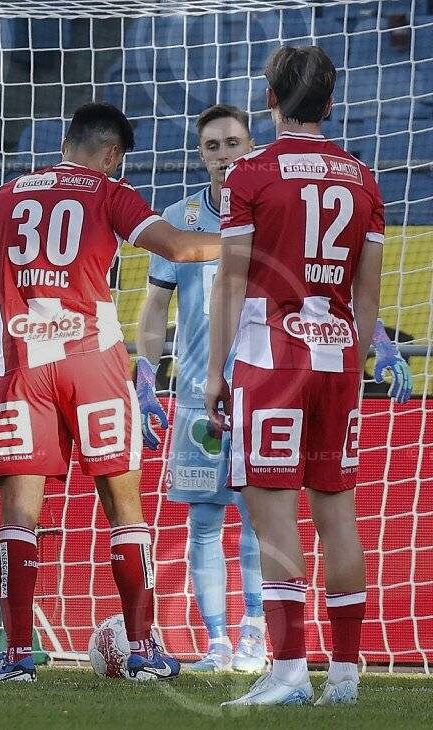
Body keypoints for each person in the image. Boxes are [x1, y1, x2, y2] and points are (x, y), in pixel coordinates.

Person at [0, 101, 222, 682]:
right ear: (112, 154)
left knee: (18, 518)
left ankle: (17, 658)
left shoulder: (7, 196)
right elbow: (180, 248)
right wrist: (250, 243)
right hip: (92, 363)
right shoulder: (109, 191)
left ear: (67, 138)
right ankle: (142, 650)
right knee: (123, 512)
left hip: (25, 365)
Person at [208, 46, 385, 707]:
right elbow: (367, 298)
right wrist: (352, 361)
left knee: (273, 517)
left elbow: (230, 279)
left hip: (270, 357)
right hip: (338, 358)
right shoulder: (363, 179)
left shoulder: (249, 174)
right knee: (337, 514)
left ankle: (287, 672)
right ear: (332, 103)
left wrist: (215, 377)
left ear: (270, 98)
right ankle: (343, 677)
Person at [135, 104, 265, 672]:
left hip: (261, 387)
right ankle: (216, 643)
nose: (223, 156)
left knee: (261, 518)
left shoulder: (271, 210)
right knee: (204, 522)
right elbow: (156, 304)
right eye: (212, 146)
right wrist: (144, 370)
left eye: (232, 143)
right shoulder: (180, 216)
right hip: (194, 394)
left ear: (250, 145)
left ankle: (256, 633)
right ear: (200, 152)